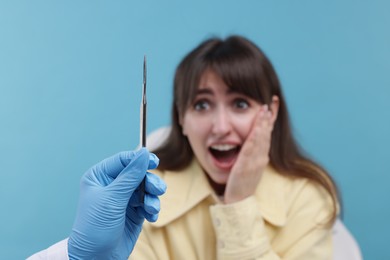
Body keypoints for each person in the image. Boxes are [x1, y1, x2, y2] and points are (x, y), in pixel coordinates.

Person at [30, 35, 339, 259]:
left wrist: (239, 205)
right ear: (181, 117)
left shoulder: (308, 199)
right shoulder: (145, 199)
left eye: (240, 103)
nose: (220, 126)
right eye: (202, 105)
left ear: (270, 113)